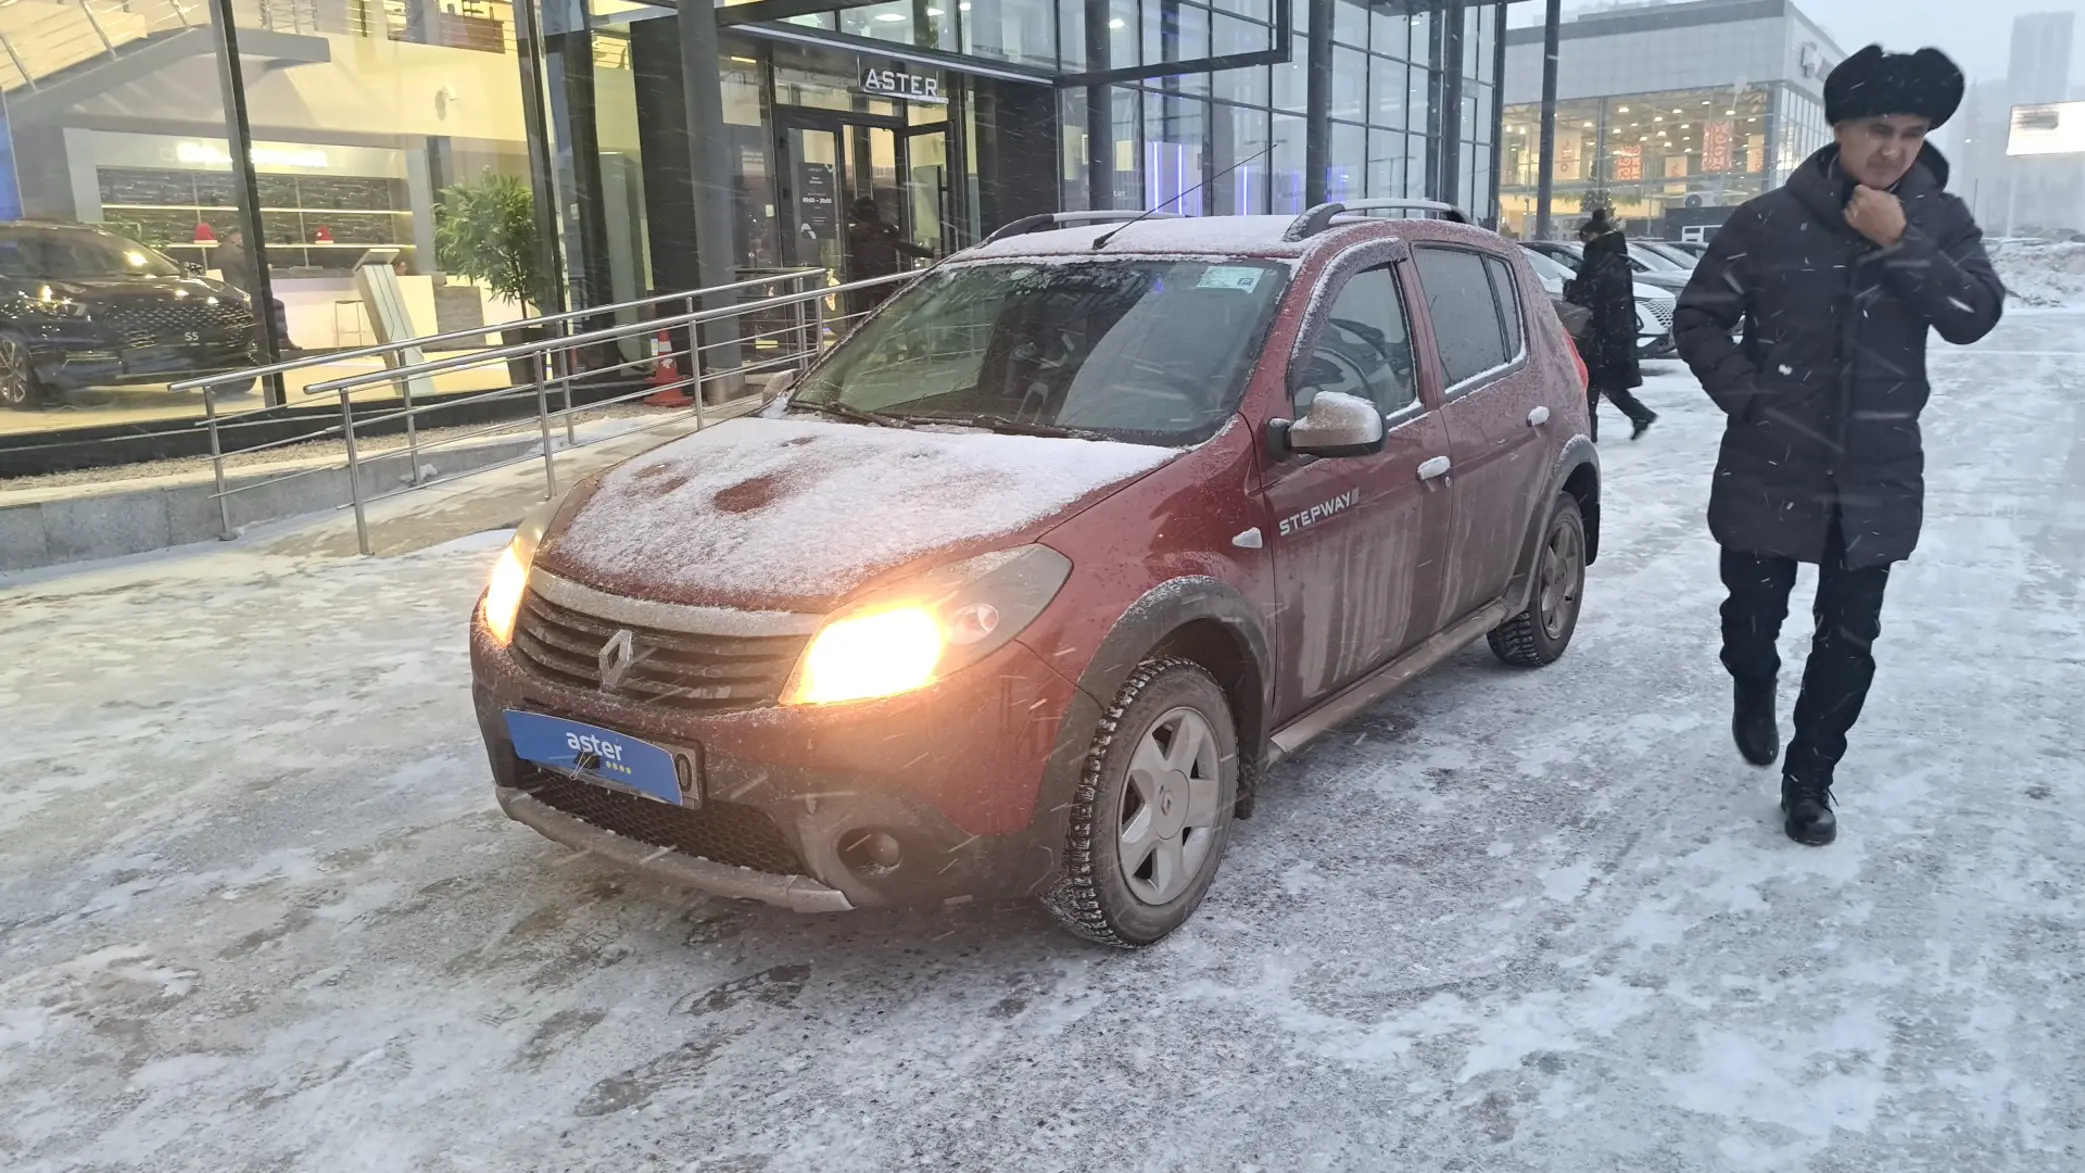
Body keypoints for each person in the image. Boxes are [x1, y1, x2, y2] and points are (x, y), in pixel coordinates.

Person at [1672, 45, 2004, 847]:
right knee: (1750, 622)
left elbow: (1972, 314)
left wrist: (1902, 245)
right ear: (1838, 129)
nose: (1894, 150)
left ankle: (1809, 779)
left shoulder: (1938, 221)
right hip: (1767, 461)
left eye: (1912, 134)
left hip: (1876, 470)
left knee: (1847, 639)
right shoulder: (1765, 221)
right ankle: (1751, 686)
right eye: (1878, 130)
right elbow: (1696, 318)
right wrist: (1752, 399)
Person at [1566, 209, 1657, 441]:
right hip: (1614, 327)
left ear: (1593, 235)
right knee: (1603, 381)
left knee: (1592, 382)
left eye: (1583, 236)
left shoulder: (1599, 258)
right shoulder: (1616, 255)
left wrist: (1570, 288)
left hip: (1600, 330)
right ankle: (1638, 415)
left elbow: (1589, 293)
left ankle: (1589, 432)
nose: (1583, 241)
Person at [844, 197, 933, 320]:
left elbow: (902, 245)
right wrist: (927, 253)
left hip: (868, 279)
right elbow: (904, 246)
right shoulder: (882, 230)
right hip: (878, 278)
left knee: (864, 315)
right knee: (881, 313)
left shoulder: (865, 232)